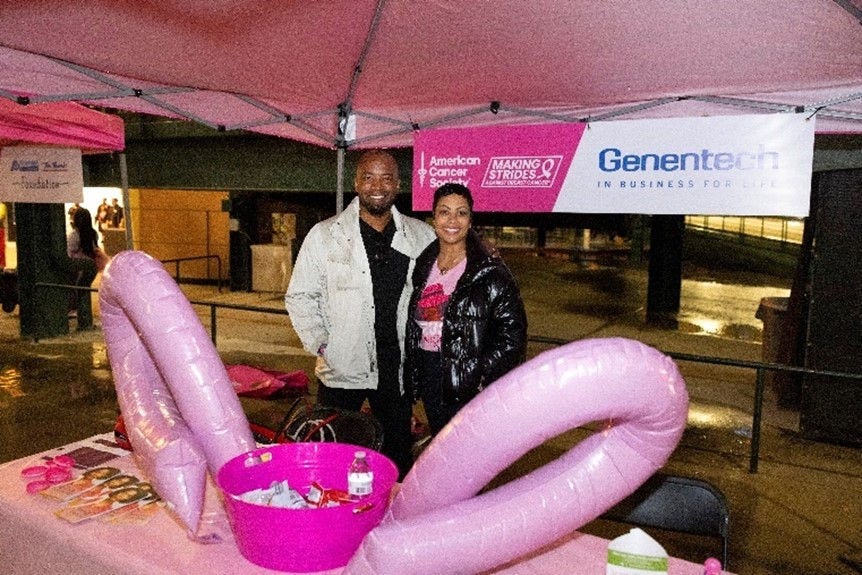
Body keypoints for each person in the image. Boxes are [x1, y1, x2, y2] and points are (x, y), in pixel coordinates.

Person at [285, 150, 435, 479]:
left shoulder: (421, 236)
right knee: (333, 452)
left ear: (398, 184)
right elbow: (299, 296)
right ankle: (333, 518)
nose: (377, 186)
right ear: (356, 182)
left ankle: (391, 520)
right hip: (341, 366)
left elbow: (449, 276)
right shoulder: (325, 236)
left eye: (386, 178)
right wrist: (323, 344)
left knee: (395, 453)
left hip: (395, 370)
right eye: (368, 177)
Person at [405, 183, 527, 436]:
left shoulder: (490, 272)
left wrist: (480, 377)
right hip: (431, 371)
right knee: (440, 441)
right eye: (444, 212)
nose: (453, 220)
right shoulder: (423, 264)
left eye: (461, 213)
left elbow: (512, 336)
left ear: (471, 220)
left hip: (469, 378)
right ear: (434, 218)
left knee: (467, 451)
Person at [66, 207, 100, 329]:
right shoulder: (93, 233)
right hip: (91, 268)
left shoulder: (74, 235)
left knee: (77, 292)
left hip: (78, 268)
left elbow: (68, 253)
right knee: (84, 291)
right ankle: (85, 321)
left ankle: (79, 318)